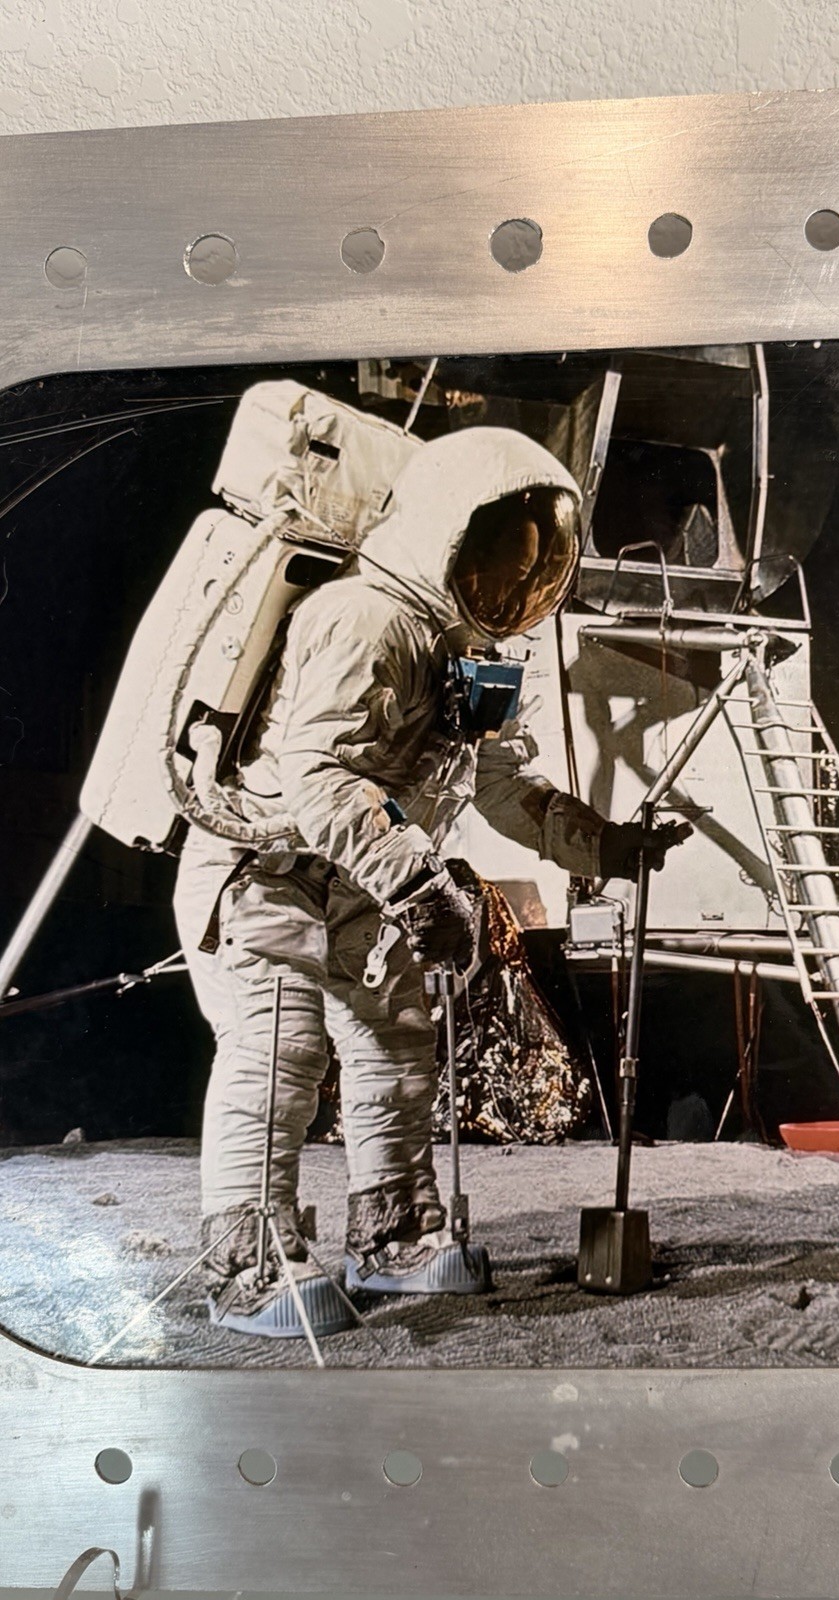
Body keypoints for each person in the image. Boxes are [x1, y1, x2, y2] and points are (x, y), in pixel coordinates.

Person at [173, 426, 689, 1337]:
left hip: (363, 883)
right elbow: (322, 778)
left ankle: (393, 1235)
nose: (515, 586)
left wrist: (605, 847)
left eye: (534, 568)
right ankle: (246, 1264)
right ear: (448, 532)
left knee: (395, 1046)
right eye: (501, 560)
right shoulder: (365, 616)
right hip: (268, 874)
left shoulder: (472, 648)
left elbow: (504, 788)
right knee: (279, 1051)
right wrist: (420, 891)